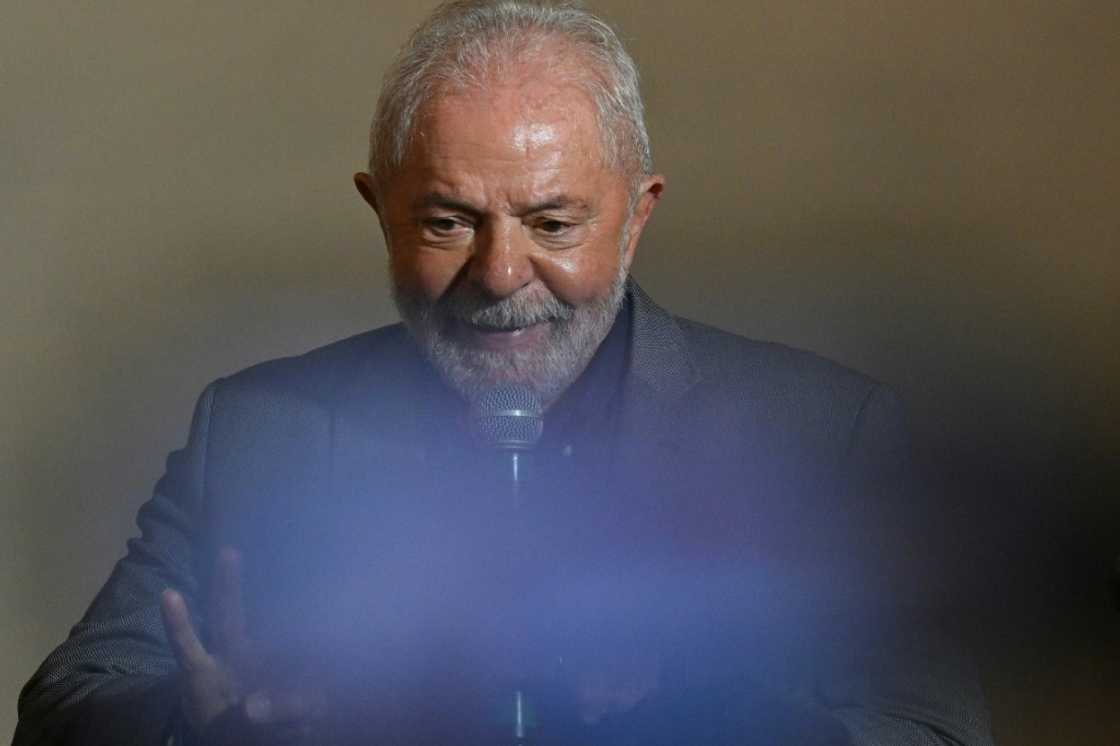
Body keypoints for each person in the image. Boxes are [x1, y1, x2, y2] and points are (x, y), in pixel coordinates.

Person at [15, 1, 993, 744]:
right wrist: (206, 719)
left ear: (638, 212)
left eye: (553, 222)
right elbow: (65, 703)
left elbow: (932, 721)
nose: (500, 273)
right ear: (378, 208)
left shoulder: (822, 429)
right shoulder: (257, 426)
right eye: (447, 221)